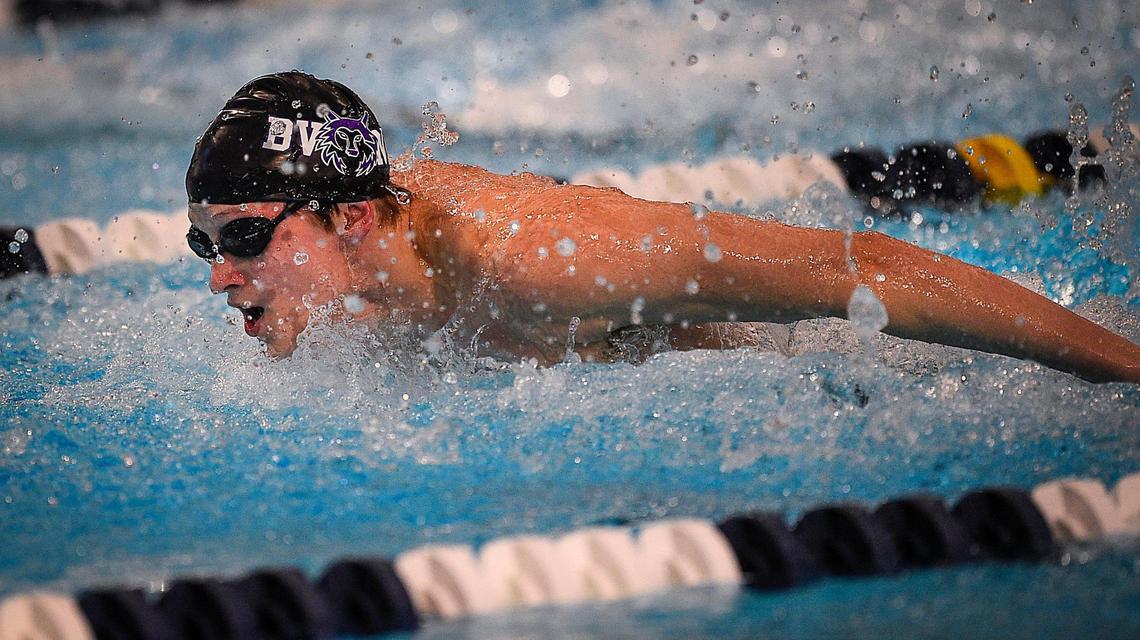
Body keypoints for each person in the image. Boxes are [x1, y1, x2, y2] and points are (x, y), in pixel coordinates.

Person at [180, 71, 1140, 383]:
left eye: (244, 239)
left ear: (349, 215)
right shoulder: (344, 277)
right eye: (206, 242)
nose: (221, 279)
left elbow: (869, 264)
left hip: (816, 365)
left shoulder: (551, 258)